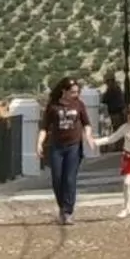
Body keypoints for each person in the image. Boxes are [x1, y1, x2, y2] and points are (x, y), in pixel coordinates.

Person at [36, 76, 94, 225]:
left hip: (73, 146)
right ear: (64, 91)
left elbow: (87, 123)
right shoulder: (53, 106)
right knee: (57, 179)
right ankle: (62, 206)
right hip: (56, 146)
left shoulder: (79, 105)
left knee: (69, 179)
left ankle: (68, 211)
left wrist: (88, 137)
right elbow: (44, 127)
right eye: (73, 92)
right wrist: (39, 144)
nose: (76, 94)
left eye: (77, 92)